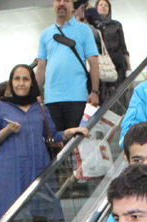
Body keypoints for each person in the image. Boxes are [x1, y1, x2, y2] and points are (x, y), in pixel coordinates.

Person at [0, 64, 88, 222]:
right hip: (9, 171)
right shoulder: (2, 108)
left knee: (39, 219)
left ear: (32, 83)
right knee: (11, 220)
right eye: (17, 79)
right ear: (11, 82)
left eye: (26, 79)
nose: (21, 83)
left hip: (38, 169)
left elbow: (52, 136)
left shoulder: (40, 108)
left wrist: (69, 132)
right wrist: (7, 130)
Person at [36, 0, 101, 132]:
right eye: (58, 0)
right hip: (51, 99)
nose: (61, 4)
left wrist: (95, 92)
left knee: (75, 141)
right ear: (53, 5)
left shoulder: (84, 30)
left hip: (77, 97)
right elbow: (41, 67)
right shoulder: (45, 34)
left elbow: (93, 63)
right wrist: (36, 93)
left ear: (72, 5)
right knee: (56, 141)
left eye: (66, 0)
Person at [90, 0, 131, 99]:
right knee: (103, 93)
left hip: (118, 63)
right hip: (102, 64)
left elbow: (123, 46)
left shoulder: (116, 25)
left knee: (119, 93)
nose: (103, 7)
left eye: (106, 5)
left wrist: (129, 67)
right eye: (101, 5)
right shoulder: (92, 27)